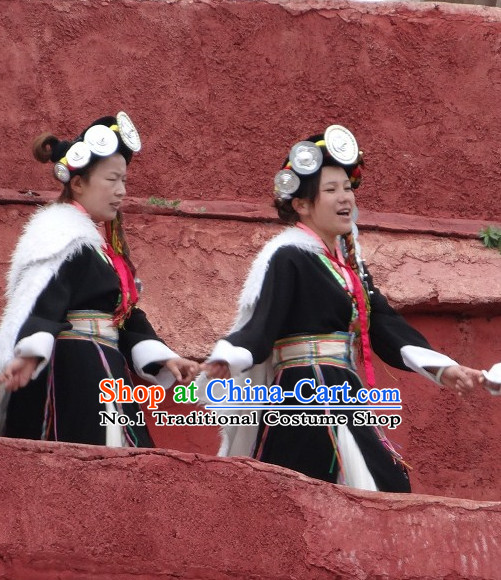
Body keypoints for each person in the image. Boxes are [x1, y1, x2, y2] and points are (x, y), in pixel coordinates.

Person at [201, 125, 481, 492]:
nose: (344, 197)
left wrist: (443, 368)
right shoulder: (289, 258)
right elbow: (261, 325)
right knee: (317, 486)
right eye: (330, 190)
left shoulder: (349, 268)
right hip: (302, 395)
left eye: (347, 188)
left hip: (341, 388)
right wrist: (229, 358)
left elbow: (383, 323)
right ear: (301, 205)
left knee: (385, 483)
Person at [0, 112, 199, 447]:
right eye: (111, 180)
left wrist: (164, 356)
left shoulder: (102, 249)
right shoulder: (63, 237)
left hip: (106, 369)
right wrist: (29, 354)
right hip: (73, 373)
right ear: (78, 183)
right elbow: (45, 302)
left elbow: (125, 316)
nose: (121, 192)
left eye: (124, 180)